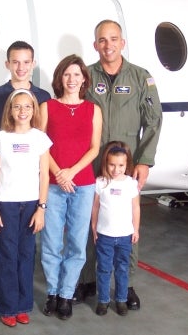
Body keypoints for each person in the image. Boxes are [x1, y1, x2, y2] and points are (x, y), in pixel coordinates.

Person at [75, 19, 163, 310]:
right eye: (102, 40)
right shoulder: (86, 76)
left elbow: (153, 121)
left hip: (126, 163)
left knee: (126, 221)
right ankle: (88, 279)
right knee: (91, 218)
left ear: (122, 43)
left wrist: (145, 161)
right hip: (93, 159)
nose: (108, 45)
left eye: (113, 39)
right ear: (95, 44)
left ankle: (127, 285)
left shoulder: (141, 77)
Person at [0, 41, 51, 311]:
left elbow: (42, 140)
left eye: (26, 61)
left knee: (24, 251)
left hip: (30, 193)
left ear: (33, 64)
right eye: (15, 62)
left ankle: (21, 303)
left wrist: (42, 202)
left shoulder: (43, 97)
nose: (21, 67)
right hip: (4, 192)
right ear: (7, 64)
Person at [39, 54, 102, 320]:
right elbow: (40, 144)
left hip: (83, 185)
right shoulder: (48, 107)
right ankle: (52, 291)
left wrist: (71, 173)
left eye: (77, 74)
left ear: (84, 79)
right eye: (67, 74)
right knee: (51, 242)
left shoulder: (93, 110)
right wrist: (58, 174)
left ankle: (66, 294)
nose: (72, 79)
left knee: (77, 244)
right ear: (60, 78)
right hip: (52, 185)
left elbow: (94, 148)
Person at [0, 89, 51, 327]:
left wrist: (41, 208)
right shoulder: (1, 138)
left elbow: (44, 175)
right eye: (17, 107)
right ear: (10, 111)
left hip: (31, 204)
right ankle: (7, 307)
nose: (22, 111)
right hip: (6, 204)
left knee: (26, 255)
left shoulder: (40, 138)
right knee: (7, 256)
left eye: (27, 106)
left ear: (33, 110)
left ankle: (23, 306)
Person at [92, 141, 140, 316]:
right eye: (112, 164)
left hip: (125, 236)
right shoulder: (101, 183)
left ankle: (121, 299)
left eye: (120, 165)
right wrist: (94, 227)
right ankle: (103, 300)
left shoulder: (130, 184)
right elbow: (96, 207)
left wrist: (135, 229)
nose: (116, 169)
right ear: (106, 163)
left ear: (126, 165)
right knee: (104, 269)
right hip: (105, 236)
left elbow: (136, 208)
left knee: (122, 268)